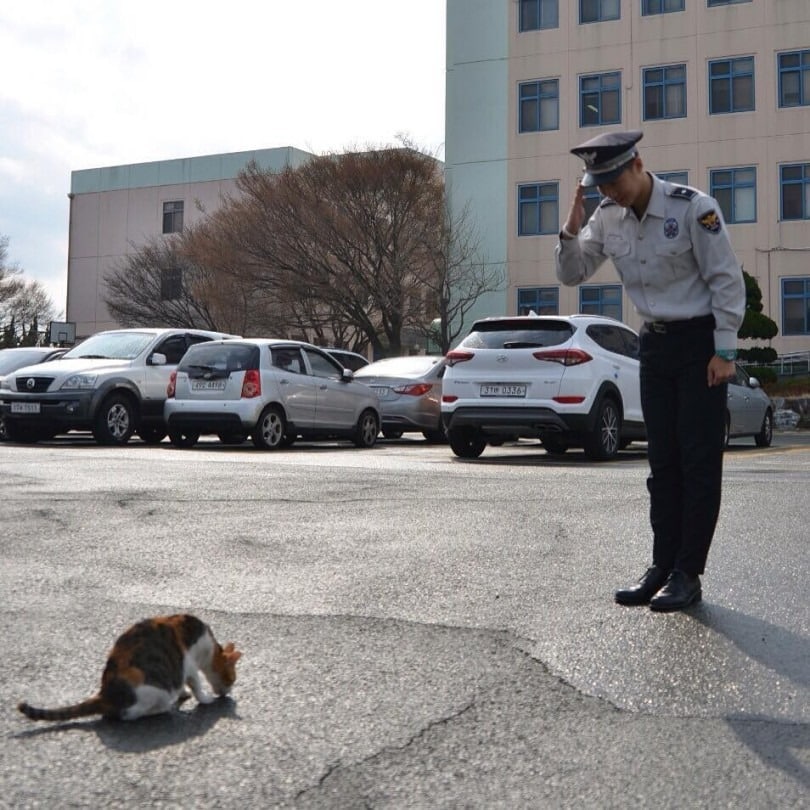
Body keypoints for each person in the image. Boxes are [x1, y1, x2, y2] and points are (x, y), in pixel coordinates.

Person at [555, 130, 746, 612]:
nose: (609, 191)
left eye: (614, 180)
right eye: (600, 184)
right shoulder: (607, 217)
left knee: (698, 461)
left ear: (637, 164)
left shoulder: (691, 208)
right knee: (661, 463)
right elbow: (572, 274)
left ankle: (688, 572)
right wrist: (570, 231)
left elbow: (726, 277)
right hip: (654, 347)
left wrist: (725, 349)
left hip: (700, 345)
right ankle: (661, 565)